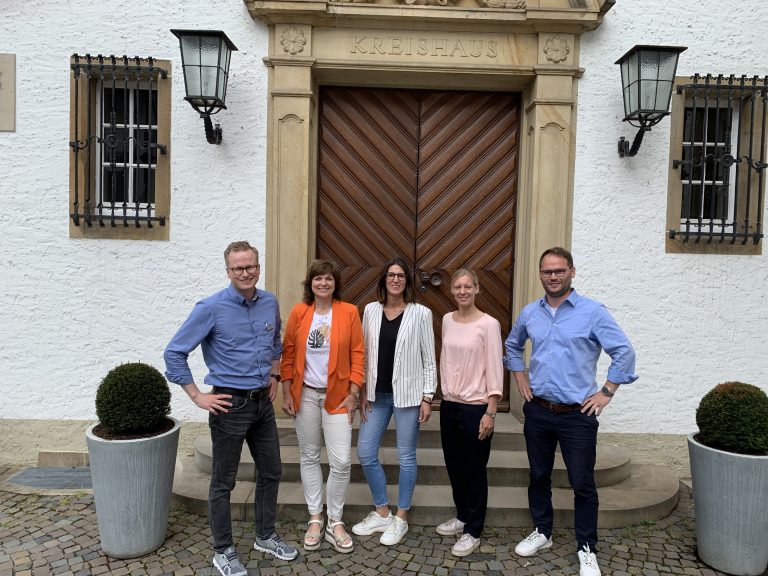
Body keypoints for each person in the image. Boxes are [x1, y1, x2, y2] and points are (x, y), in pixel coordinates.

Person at [164, 241, 298, 576]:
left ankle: (265, 536)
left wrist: (274, 374)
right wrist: (197, 396)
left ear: (258, 267)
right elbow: (174, 353)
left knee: (272, 471)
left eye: (250, 266)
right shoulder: (210, 308)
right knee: (223, 482)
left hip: (262, 403)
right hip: (229, 405)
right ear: (228, 271)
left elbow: (275, 342)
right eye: (238, 268)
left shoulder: (269, 302)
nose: (245, 272)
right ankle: (223, 551)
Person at [504, 246, 638, 576]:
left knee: (582, 483)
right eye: (547, 271)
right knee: (538, 476)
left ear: (572, 272)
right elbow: (512, 346)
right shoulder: (530, 313)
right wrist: (520, 377)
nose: (553, 276)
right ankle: (543, 531)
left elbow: (624, 352)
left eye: (559, 271)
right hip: (538, 411)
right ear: (540, 275)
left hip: (578, 415)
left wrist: (606, 392)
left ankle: (587, 547)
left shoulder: (593, 312)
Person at [280, 259, 365, 554]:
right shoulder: (299, 312)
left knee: (341, 461)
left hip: (338, 397)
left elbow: (358, 354)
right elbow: (288, 353)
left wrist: (354, 393)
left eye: (328, 278)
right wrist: (287, 392)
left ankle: (335, 521)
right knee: (309, 456)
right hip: (305, 394)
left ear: (335, 283)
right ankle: (316, 518)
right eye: (318, 279)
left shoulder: (348, 312)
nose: (323, 283)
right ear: (311, 283)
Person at [351, 258, 437, 546]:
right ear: (384, 280)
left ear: (407, 282)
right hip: (376, 395)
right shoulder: (371, 311)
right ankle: (382, 511)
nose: (396, 280)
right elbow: (363, 354)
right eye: (391, 275)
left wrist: (428, 396)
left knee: (406, 456)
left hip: (408, 396)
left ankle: (401, 516)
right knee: (365, 451)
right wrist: (361, 390)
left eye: (400, 276)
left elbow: (429, 358)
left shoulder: (421, 313)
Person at [436, 268, 504, 557]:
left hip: (476, 408)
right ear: (452, 291)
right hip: (449, 405)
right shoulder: (447, 320)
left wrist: (491, 411)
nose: (462, 291)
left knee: (474, 470)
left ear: (477, 289)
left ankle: (474, 530)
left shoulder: (489, 324)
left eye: (468, 286)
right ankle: (463, 515)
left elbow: (495, 367)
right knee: (454, 466)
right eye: (458, 287)